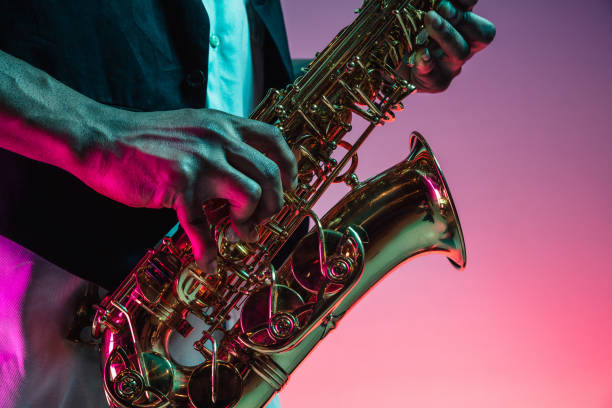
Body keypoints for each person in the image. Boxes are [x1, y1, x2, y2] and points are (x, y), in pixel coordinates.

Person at [0, 0, 495, 407]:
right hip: (45, 345)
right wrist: (101, 132)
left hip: (212, 355)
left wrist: (372, 66)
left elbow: (211, 83)